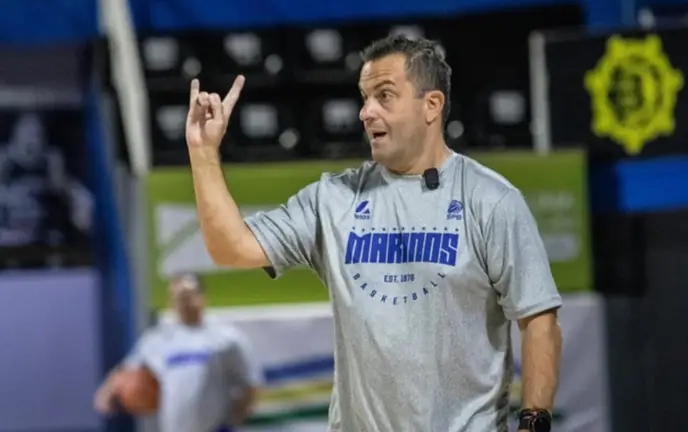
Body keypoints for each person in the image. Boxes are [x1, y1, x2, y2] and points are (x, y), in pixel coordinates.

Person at [186, 34, 562, 432]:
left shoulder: (490, 200)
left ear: (431, 105)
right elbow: (232, 248)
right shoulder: (333, 199)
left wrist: (533, 421)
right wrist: (204, 154)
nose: (366, 112)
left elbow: (539, 320)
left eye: (385, 96)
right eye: (365, 98)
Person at [94, 273, 262, 432]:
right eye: (178, 298)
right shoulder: (158, 339)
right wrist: (107, 391)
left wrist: (232, 421)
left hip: (213, 427)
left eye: (188, 296)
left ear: (202, 297)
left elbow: (250, 384)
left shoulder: (227, 338)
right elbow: (128, 368)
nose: (183, 303)